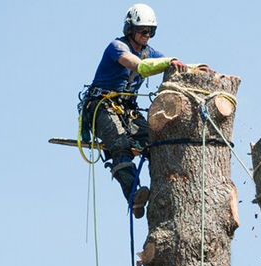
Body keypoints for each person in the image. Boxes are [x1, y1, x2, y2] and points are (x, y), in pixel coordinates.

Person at [79, 4, 187, 218]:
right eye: (143, 31)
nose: (147, 36)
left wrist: (194, 67)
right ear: (130, 29)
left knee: (156, 143)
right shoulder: (117, 47)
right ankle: (133, 196)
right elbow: (141, 67)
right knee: (120, 146)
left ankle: (161, 194)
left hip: (127, 110)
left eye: (151, 32)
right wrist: (167, 62)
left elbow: (171, 64)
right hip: (101, 106)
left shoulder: (149, 52)